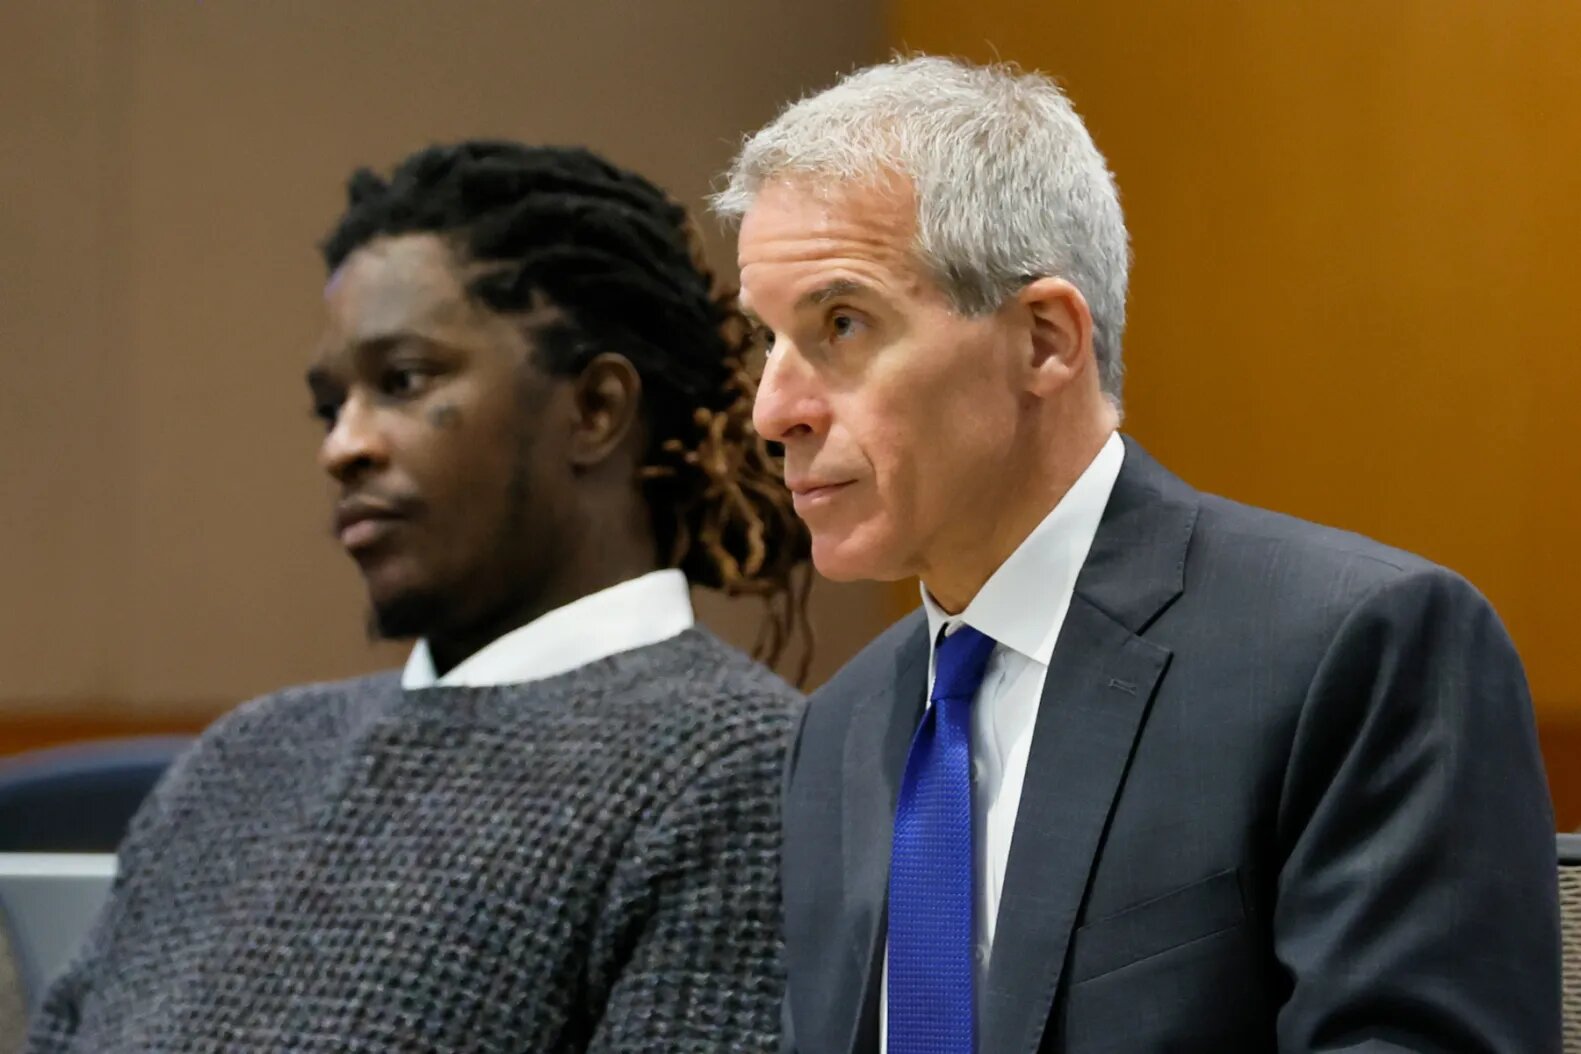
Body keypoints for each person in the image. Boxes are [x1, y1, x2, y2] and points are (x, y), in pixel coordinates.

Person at [715, 56, 1562, 1052]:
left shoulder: (1357, 647)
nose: (774, 410)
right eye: (767, 338)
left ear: (1043, 340)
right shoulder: (841, 728)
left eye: (842, 324)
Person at [28, 140, 809, 1053]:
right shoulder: (244, 757)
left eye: (403, 383)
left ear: (595, 409)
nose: (343, 447)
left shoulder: (742, 772)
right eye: (332, 406)